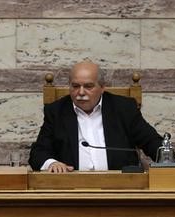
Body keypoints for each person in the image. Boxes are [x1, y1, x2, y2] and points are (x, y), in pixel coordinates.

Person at [28, 61, 163, 172]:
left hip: (120, 188)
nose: (81, 92)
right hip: (71, 190)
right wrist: (52, 163)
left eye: (88, 86)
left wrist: (174, 163)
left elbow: (151, 142)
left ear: (102, 87)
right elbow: (38, 152)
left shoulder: (124, 108)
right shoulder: (56, 111)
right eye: (75, 86)